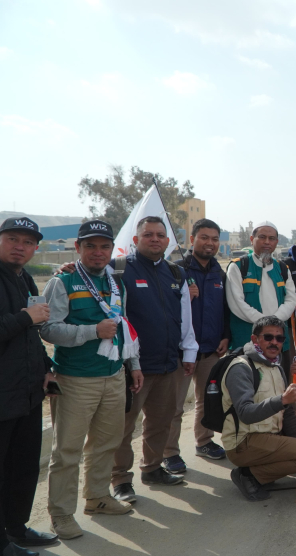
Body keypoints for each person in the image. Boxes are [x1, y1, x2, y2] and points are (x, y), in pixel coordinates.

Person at [41, 220, 144, 540]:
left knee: (106, 443)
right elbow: (47, 329)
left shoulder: (116, 283)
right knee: (67, 451)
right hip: (75, 379)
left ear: (112, 249)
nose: (98, 252)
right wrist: (91, 332)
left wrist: (134, 364)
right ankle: (60, 513)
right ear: (78, 248)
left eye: (104, 246)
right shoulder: (64, 281)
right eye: (90, 246)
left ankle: (97, 497)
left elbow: (122, 327)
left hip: (113, 376)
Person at [107, 216, 199, 503]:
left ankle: (152, 469)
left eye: (160, 234)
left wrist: (189, 351)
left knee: (160, 422)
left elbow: (185, 318)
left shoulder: (175, 273)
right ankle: (121, 479)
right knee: (124, 427)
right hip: (133, 367)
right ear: (136, 240)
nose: (156, 239)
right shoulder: (118, 270)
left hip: (169, 363)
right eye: (149, 235)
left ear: (168, 241)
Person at [0, 217, 59, 556]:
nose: (19, 246)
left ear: (35, 248)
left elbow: (30, 336)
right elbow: (26, 322)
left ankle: (15, 528)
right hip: (2, 396)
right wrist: (27, 317)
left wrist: (47, 370)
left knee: (23, 466)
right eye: (12, 238)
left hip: (26, 392)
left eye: (27, 241)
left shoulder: (22, 279)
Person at [163, 219, 230, 475]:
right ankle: (169, 452)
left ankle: (204, 441)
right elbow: (162, 306)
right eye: (204, 237)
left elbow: (225, 308)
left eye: (214, 238)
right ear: (192, 239)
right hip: (181, 352)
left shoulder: (219, 273)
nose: (210, 243)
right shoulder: (175, 269)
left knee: (207, 401)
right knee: (174, 406)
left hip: (212, 349)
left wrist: (225, 336)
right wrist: (180, 296)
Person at [221, 316, 296, 502]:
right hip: (244, 442)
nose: (274, 342)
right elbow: (245, 413)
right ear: (254, 339)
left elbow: (287, 413)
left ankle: (256, 473)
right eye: (268, 337)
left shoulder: (276, 366)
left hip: (269, 437)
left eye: (279, 338)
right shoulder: (240, 368)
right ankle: (249, 475)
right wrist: (282, 400)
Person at [226, 221, 296, 358]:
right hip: (246, 342)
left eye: (271, 239)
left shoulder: (282, 269)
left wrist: (274, 322)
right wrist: (266, 324)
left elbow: (291, 300)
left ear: (276, 242)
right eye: (262, 237)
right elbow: (237, 304)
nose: (267, 242)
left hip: (277, 344)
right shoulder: (238, 267)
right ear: (252, 239)